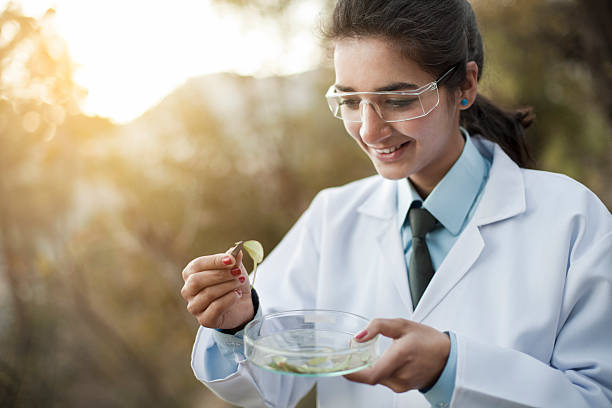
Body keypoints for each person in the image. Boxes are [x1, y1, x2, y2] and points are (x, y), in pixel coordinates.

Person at [180, 0, 612, 407]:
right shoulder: (332, 218)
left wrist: (452, 370)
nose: (370, 130)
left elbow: (598, 397)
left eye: (399, 100)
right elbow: (270, 386)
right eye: (350, 101)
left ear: (465, 86)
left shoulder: (571, 219)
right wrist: (239, 323)